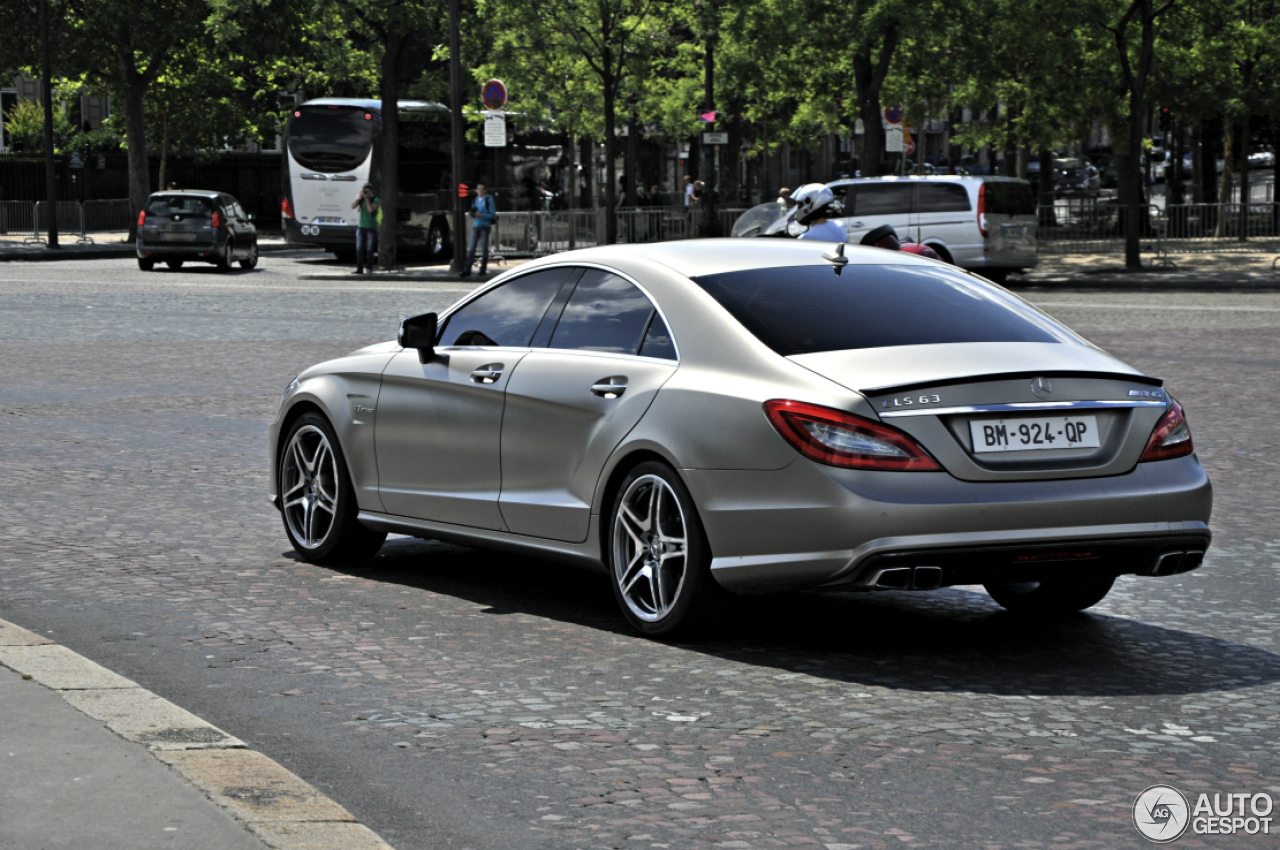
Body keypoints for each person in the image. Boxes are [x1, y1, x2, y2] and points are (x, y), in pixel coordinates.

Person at [462, 183, 496, 277]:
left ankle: (483, 269)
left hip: (485, 226)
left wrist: (481, 215)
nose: (480, 191)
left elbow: (492, 215)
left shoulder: (489, 199)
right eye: (478, 189)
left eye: (482, 189)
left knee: (484, 249)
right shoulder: (475, 200)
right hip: (476, 225)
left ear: (484, 190)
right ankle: (467, 269)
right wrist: (473, 213)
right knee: (471, 249)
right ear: (476, 190)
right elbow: (473, 213)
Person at [349, 183, 379, 274]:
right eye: (365, 191)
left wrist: (366, 198)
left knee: (370, 249)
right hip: (361, 227)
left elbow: (371, 209)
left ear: (372, 191)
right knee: (359, 249)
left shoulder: (376, 199)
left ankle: (369, 268)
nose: (367, 193)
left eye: (368, 191)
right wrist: (359, 197)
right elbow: (352, 206)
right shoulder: (361, 199)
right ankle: (359, 268)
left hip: (371, 228)